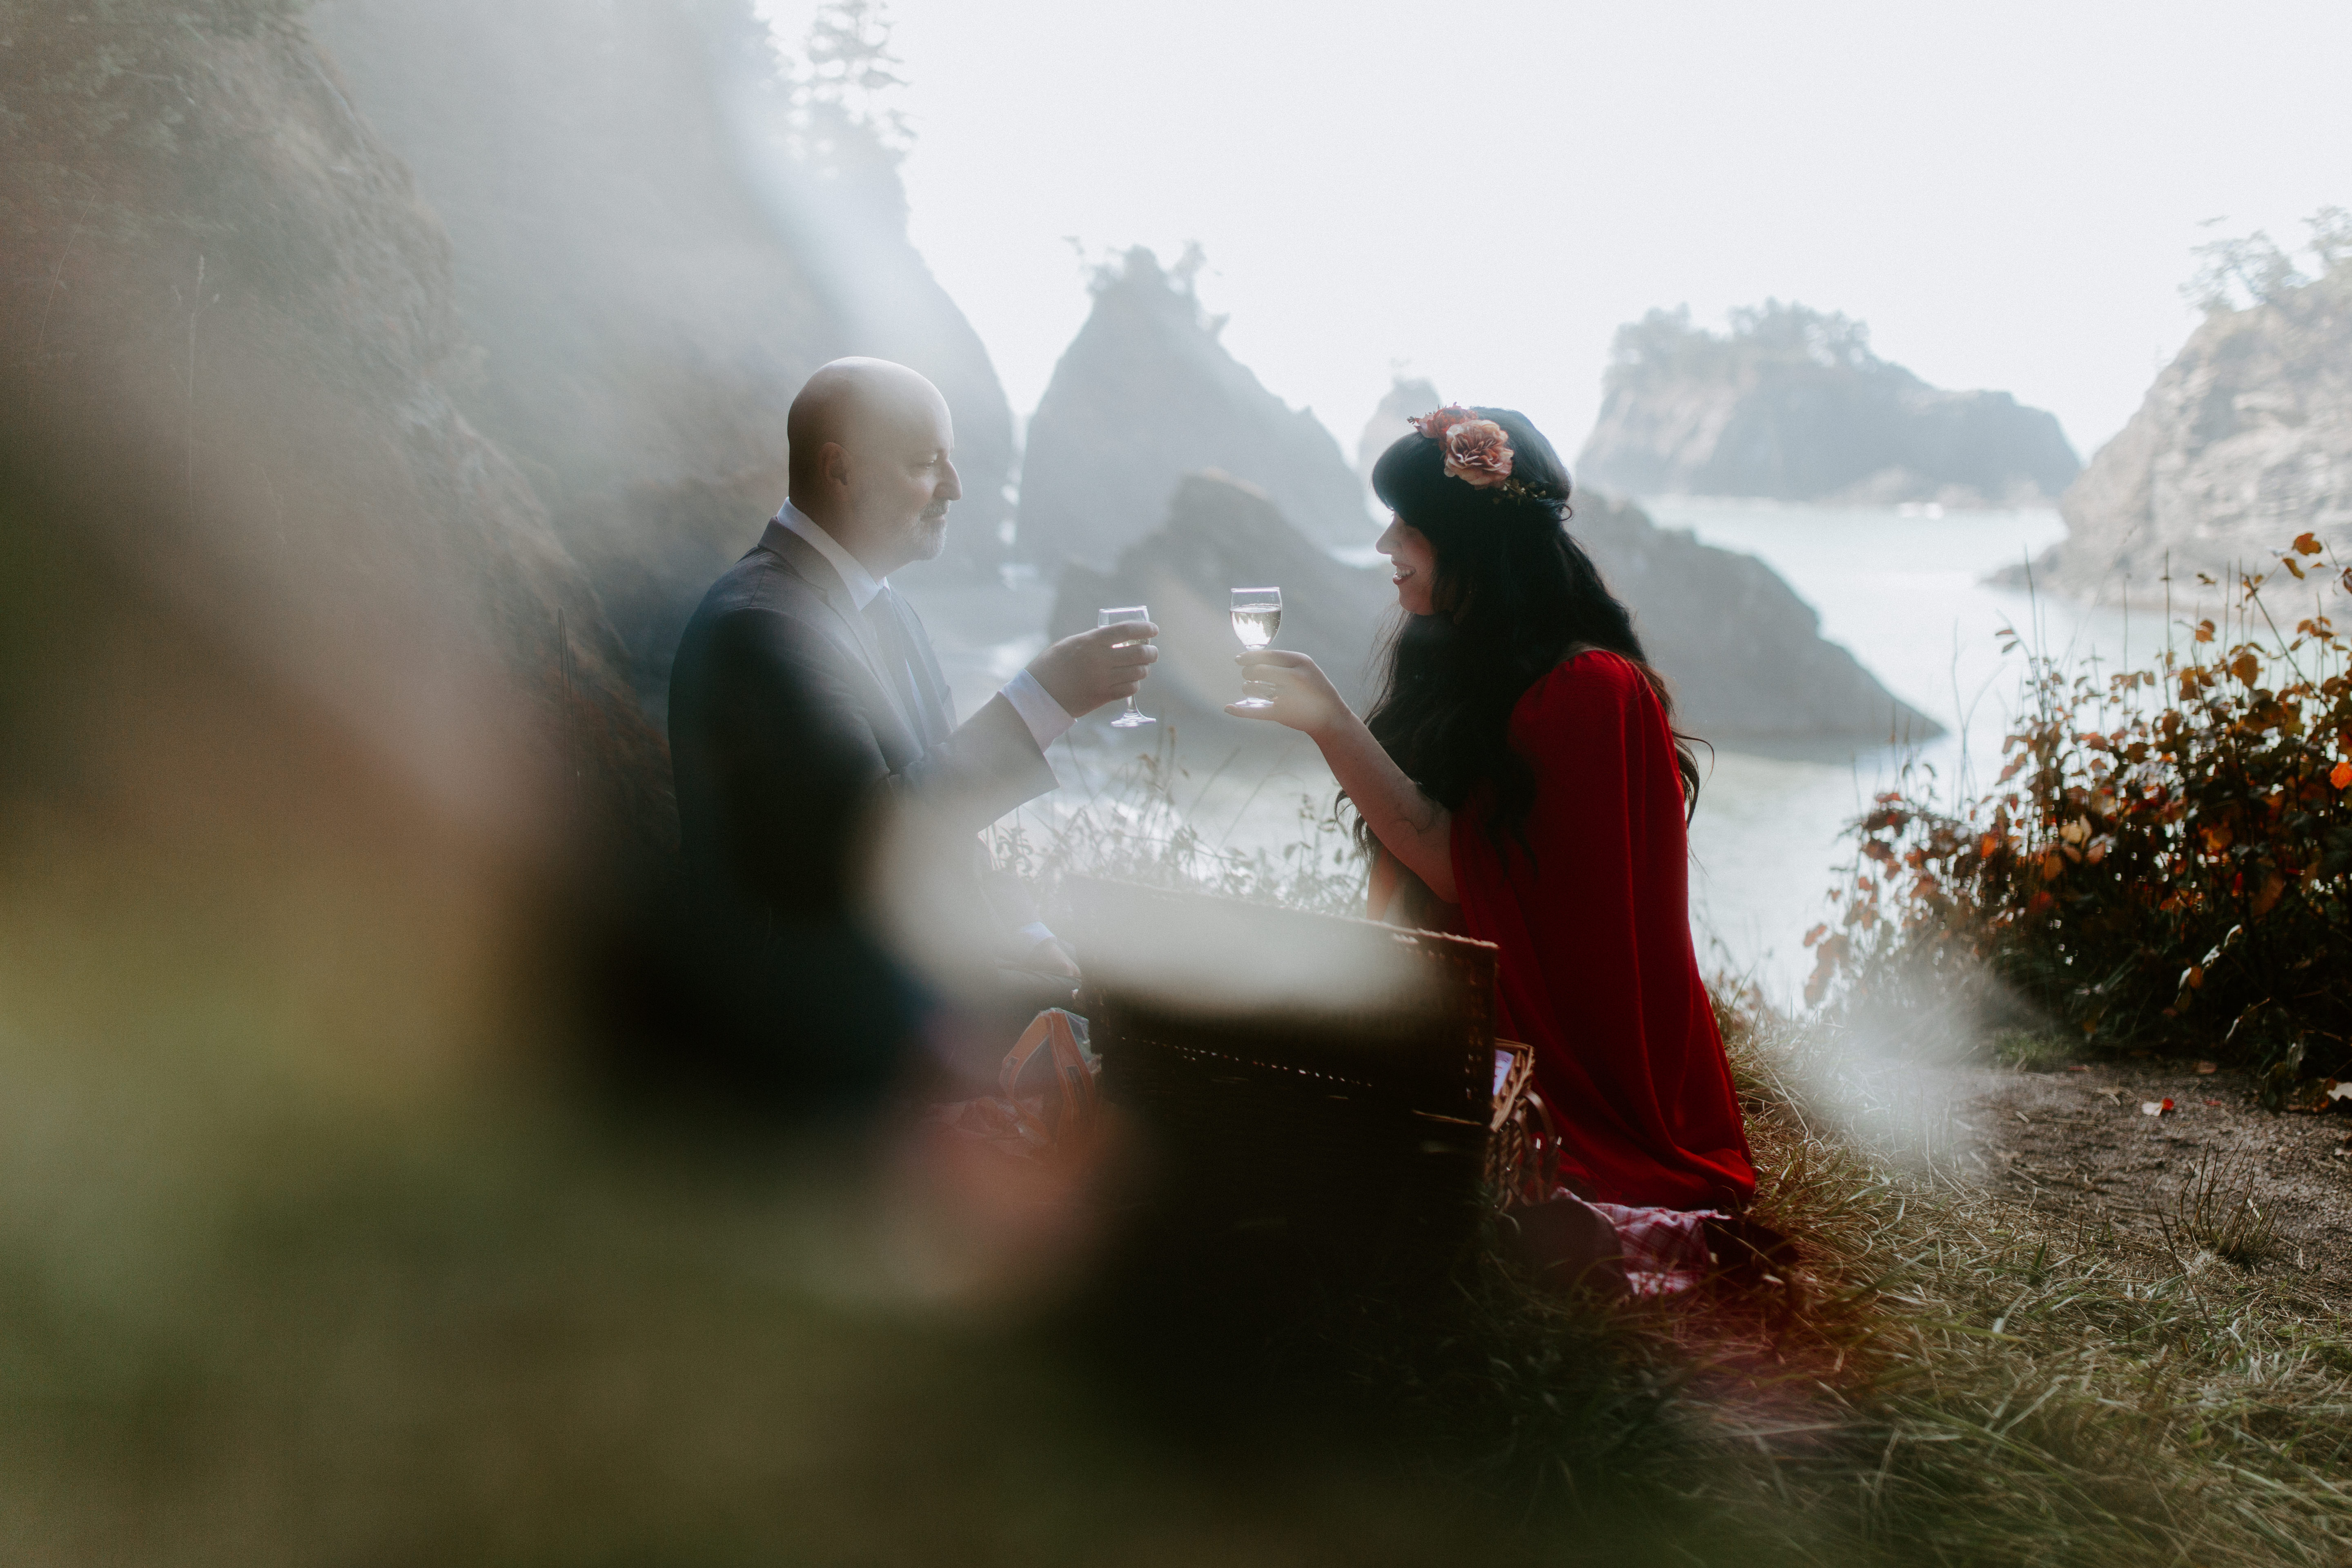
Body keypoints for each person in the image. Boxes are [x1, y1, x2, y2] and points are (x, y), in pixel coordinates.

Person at [1224, 404, 1755, 1215]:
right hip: (1451, 1014)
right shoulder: (1457, 649)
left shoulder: (1588, 691)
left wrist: (1331, 725)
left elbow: (1462, 872)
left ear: (1472, 542)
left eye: (1408, 526)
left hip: (1551, 1063)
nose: (1385, 546)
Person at [666, 357, 1156, 1099]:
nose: (955, 487)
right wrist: (1041, 700)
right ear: (840, 470)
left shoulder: (886, 609)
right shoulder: (763, 628)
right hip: (806, 1063)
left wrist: (1027, 935)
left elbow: (940, 819)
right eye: (928, 464)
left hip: (900, 1018)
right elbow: (872, 843)